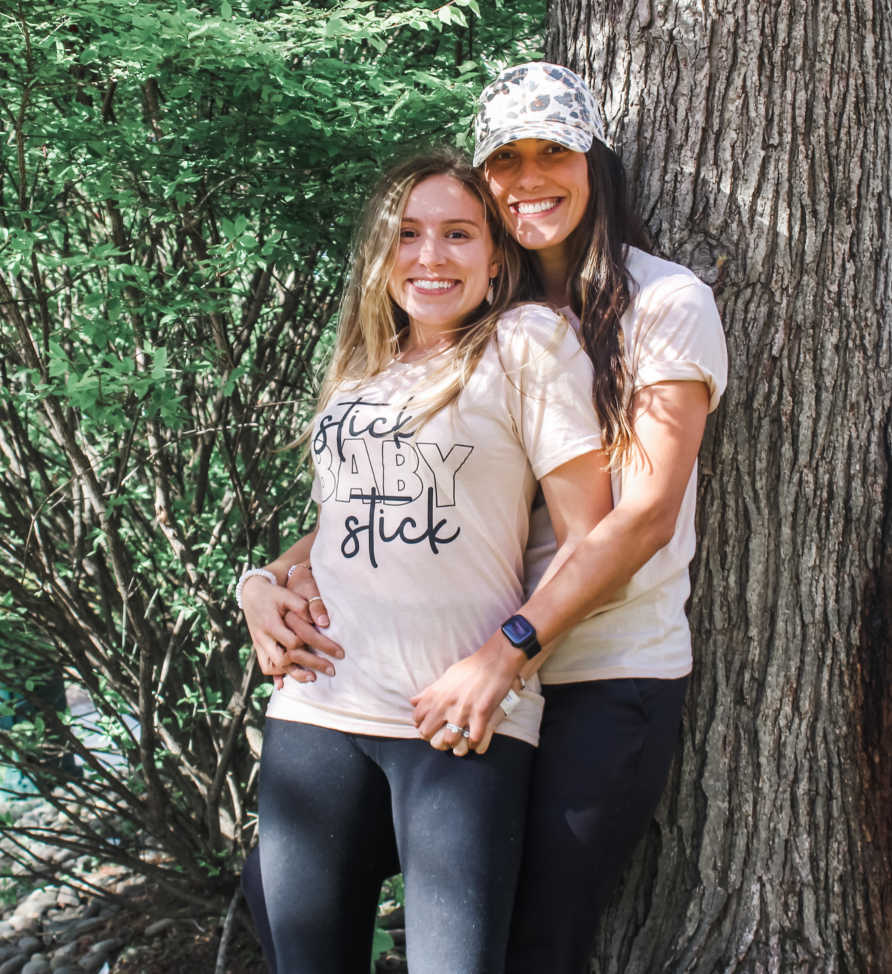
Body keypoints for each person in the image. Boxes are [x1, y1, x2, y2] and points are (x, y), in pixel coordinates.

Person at [243, 63, 728, 973]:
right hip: (435, 679)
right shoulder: (478, 318)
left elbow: (642, 517)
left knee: (531, 944)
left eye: (555, 151)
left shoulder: (661, 304)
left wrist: (501, 655)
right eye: (507, 157)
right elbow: (394, 494)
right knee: (286, 904)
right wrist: (266, 578)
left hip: (592, 665)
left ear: (597, 161)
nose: (530, 176)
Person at [237, 147, 611, 974]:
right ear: (381, 253)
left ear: (495, 255)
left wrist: (501, 660)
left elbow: (595, 535)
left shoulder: (526, 345)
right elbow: (342, 521)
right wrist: (258, 583)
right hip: (318, 716)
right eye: (407, 234)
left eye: (458, 234)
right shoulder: (364, 370)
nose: (430, 256)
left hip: (459, 722)